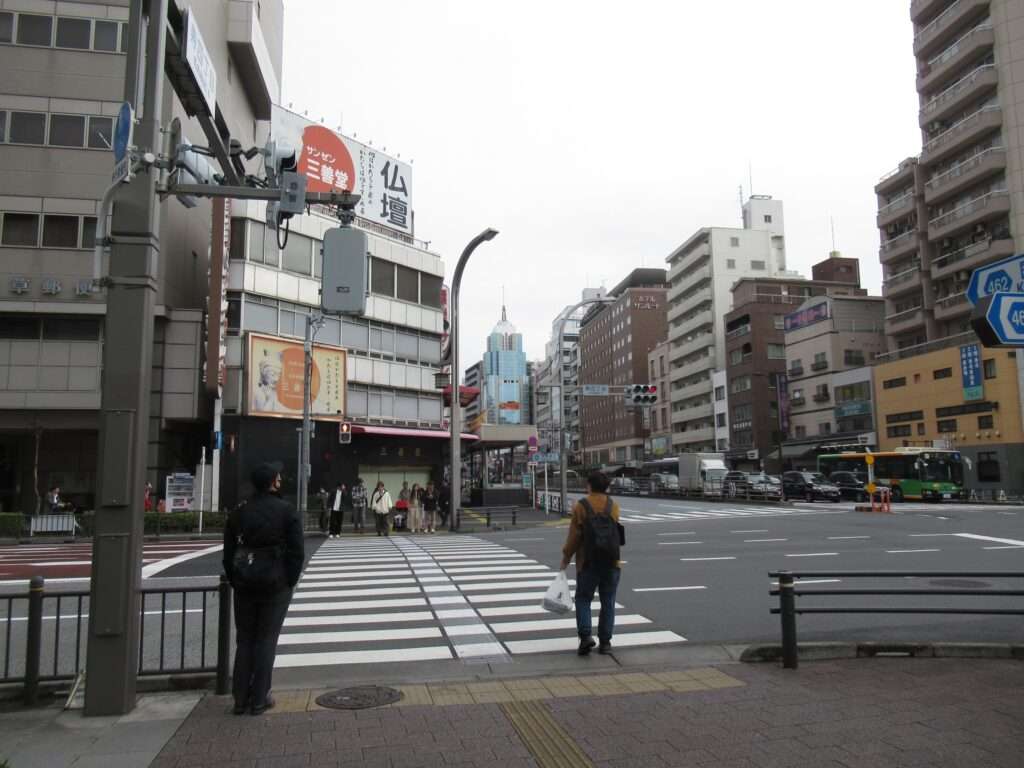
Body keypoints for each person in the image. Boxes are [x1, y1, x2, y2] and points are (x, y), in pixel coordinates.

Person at [223, 462, 303, 715]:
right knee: (266, 639)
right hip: (275, 582)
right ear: (272, 482)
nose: (280, 480)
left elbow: (228, 553)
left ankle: (239, 699)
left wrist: (235, 578)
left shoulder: (239, 511)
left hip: (245, 581)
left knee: (245, 639)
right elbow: (297, 553)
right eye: (278, 477)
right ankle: (260, 697)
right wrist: (289, 579)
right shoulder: (286, 511)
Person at [559, 471, 622, 656]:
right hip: (612, 562)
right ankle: (605, 643)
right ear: (606, 487)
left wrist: (565, 558)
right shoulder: (613, 506)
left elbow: (574, 537)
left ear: (589, 486)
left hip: (588, 562)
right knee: (608, 601)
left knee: (583, 599)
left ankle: (586, 637)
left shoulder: (581, 506)